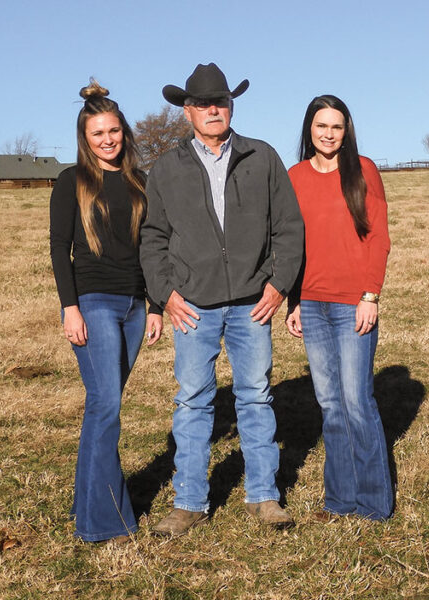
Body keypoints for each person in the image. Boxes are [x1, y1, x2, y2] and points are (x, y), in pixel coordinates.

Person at [140, 63, 304, 536]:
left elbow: (288, 228)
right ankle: (189, 502)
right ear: (187, 111)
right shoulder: (167, 168)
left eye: (222, 101)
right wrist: (165, 294)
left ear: (231, 106)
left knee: (256, 396)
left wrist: (278, 284)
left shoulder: (262, 157)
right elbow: (152, 237)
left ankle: (264, 496)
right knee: (192, 401)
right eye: (204, 103)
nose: (214, 109)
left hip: (254, 301)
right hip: (192, 304)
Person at [49, 79, 164, 543]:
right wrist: (69, 307)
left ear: (124, 132)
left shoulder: (141, 182)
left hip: (135, 306)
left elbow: (154, 248)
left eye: (114, 131)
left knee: (102, 407)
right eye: (98, 134)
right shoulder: (71, 181)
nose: (107, 140)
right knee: (106, 405)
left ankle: (85, 503)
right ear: (85, 137)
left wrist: (155, 306)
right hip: (93, 302)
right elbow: (60, 248)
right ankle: (104, 522)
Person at [285, 94, 393, 521]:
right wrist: (293, 301)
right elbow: (292, 245)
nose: (328, 134)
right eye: (321, 126)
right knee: (329, 404)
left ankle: (372, 503)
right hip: (311, 303)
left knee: (356, 401)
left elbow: (379, 237)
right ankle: (340, 499)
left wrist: (370, 295)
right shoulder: (295, 176)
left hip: (353, 305)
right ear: (309, 129)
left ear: (345, 131)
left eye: (336, 126)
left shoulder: (363, 170)